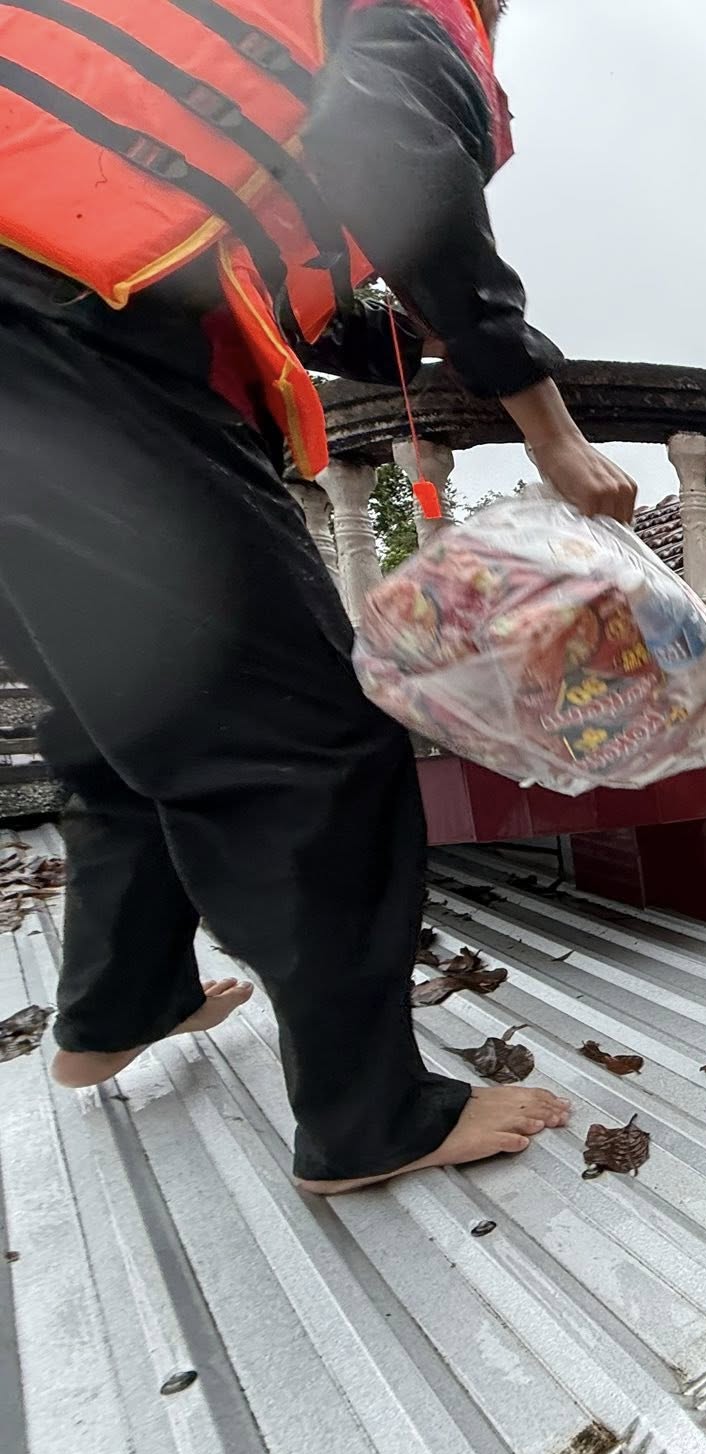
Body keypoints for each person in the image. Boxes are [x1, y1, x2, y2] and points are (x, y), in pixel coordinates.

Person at [0, 0, 634, 1192]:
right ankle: (371, 1114)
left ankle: (113, 1009)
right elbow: (401, 167)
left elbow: (295, 276)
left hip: (51, 315)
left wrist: (421, 336)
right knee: (319, 741)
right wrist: (547, 424)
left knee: (120, 712)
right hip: (71, 341)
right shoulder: (411, 12)